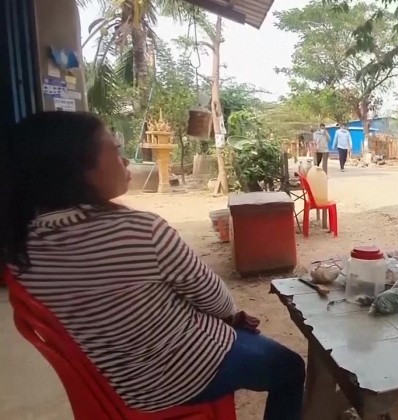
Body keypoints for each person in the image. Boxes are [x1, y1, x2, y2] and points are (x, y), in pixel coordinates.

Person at [0, 112, 304, 420]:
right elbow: (218, 300)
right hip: (183, 372)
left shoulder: (20, 247)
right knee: (291, 368)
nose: (124, 159)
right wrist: (232, 317)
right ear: (79, 167)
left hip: (116, 380)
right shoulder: (139, 230)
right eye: (114, 149)